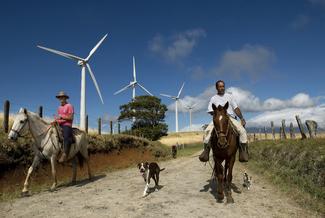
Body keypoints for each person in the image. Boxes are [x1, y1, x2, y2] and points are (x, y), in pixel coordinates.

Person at [199, 80, 249, 162]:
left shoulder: (230, 96)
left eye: (223, 86)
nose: (222, 88)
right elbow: (210, 110)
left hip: (230, 117)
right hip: (218, 119)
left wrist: (242, 118)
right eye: (220, 86)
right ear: (216, 88)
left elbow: (236, 108)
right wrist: (218, 113)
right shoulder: (213, 98)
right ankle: (206, 152)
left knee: (242, 131)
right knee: (207, 131)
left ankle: (243, 152)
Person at [53, 91, 74, 163]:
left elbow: (71, 118)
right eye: (60, 97)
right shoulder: (59, 108)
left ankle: (65, 153)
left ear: (65, 98)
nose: (61, 99)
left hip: (67, 125)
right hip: (59, 124)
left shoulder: (69, 106)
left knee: (66, 137)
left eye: (62, 97)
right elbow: (59, 118)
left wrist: (61, 117)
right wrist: (56, 120)